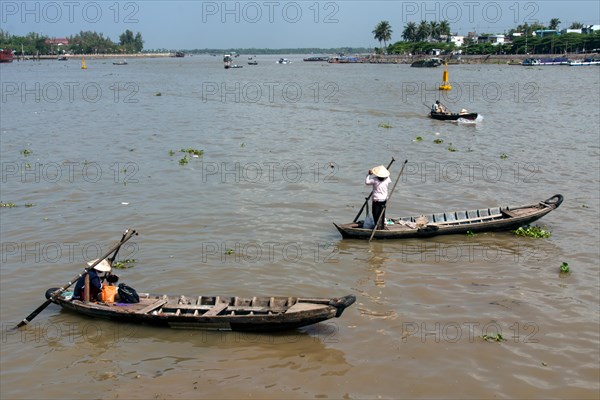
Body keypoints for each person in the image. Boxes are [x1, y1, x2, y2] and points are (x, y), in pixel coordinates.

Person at [365, 165, 392, 230]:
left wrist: (368, 174)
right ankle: (381, 225)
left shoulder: (374, 180)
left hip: (377, 200)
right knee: (382, 213)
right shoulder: (387, 179)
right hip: (384, 200)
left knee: (375, 213)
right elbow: (388, 178)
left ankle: (377, 226)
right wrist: (386, 173)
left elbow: (367, 182)